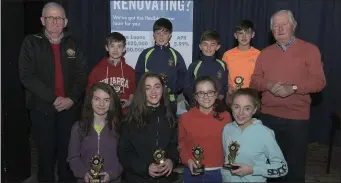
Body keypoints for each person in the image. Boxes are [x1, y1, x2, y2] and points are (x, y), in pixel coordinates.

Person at [250, 10, 326, 182]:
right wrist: (268, 85)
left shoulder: (310, 50)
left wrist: (293, 88)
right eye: (275, 25)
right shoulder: (265, 53)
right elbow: (254, 81)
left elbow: (319, 83)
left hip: (296, 119)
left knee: (294, 169)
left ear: (294, 26)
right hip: (268, 117)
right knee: (270, 168)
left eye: (283, 24)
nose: (279, 28)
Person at [18, 2, 88, 182]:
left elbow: (82, 75)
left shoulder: (74, 43)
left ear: (65, 22)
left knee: (68, 155)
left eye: (59, 18)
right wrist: (54, 98)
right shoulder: (31, 43)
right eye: (51, 18)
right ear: (43, 20)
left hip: (69, 110)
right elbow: (27, 76)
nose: (55, 22)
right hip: (42, 109)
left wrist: (71, 99)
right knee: (45, 157)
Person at [118, 72, 179, 183]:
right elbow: (124, 153)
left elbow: (174, 145)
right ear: (142, 91)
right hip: (138, 179)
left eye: (157, 86)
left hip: (165, 179)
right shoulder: (131, 118)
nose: (153, 92)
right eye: (148, 88)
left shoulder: (170, 115)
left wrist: (171, 160)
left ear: (163, 89)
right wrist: (145, 168)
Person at [221, 88, 288, 182]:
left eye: (247, 108)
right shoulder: (227, 129)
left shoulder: (265, 133)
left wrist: (252, 170)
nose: (241, 113)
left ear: (254, 109)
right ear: (231, 107)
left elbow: (282, 168)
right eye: (237, 107)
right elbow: (226, 158)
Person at [179, 76, 232, 182]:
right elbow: (181, 143)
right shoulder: (185, 118)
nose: (206, 96)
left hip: (219, 172)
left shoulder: (226, 116)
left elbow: (231, 143)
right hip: (193, 172)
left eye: (210, 92)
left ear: (216, 94)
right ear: (195, 96)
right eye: (201, 93)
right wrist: (187, 160)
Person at [68, 82, 123, 183]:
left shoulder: (119, 128)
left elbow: (124, 159)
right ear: (90, 101)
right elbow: (73, 157)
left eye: (106, 100)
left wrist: (111, 175)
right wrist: (84, 173)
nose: (101, 104)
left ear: (112, 102)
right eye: (97, 99)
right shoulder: (78, 127)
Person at [134, 18, 187, 115]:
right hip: (148, 100)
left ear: (170, 35)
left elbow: (183, 76)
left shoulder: (176, 55)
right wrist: (145, 92)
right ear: (153, 35)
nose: (161, 36)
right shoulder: (145, 54)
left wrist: (172, 90)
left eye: (165, 33)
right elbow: (138, 76)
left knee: (168, 127)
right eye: (158, 33)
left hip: (169, 102)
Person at [87, 32, 136, 115]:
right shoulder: (97, 70)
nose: (115, 50)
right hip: (103, 115)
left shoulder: (130, 71)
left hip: (124, 115)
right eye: (112, 46)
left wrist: (129, 102)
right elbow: (89, 93)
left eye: (119, 46)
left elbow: (133, 92)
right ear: (107, 47)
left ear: (124, 49)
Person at [184, 30, 228, 105]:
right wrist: (194, 100)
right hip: (198, 105)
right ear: (200, 47)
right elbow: (187, 87)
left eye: (212, 44)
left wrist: (221, 96)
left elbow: (225, 85)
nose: (208, 48)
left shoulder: (222, 64)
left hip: (217, 104)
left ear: (218, 47)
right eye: (205, 44)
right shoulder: (194, 65)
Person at [222, 20, 260, 105]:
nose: (244, 36)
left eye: (247, 33)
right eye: (240, 33)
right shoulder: (228, 55)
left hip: (251, 96)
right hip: (232, 96)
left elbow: (260, 77)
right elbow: (223, 76)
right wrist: (228, 88)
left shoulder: (259, 54)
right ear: (235, 35)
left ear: (253, 34)